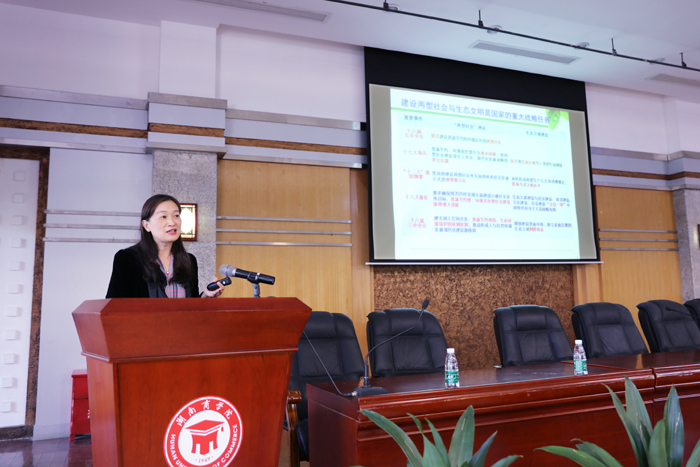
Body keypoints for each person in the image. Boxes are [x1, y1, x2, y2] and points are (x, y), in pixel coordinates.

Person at [106, 194, 223, 298]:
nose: (172, 222)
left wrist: (206, 295)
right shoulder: (127, 258)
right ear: (146, 225)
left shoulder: (189, 260)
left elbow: (191, 306)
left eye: (176, 215)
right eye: (163, 216)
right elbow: (114, 305)